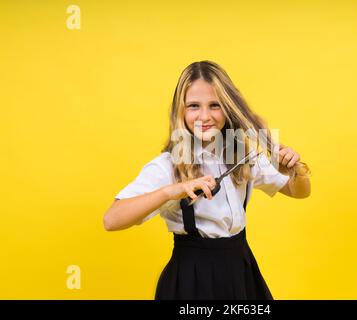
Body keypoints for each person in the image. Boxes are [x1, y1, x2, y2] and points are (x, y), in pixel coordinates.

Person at [103, 60, 311, 300]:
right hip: (192, 281)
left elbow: (299, 192)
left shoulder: (242, 155)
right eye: (193, 106)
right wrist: (172, 191)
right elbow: (111, 219)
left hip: (241, 272)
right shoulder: (168, 166)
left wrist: (295, 169)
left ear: (229, 108)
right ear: (180, 111)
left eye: (215, 105)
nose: (205, 116)